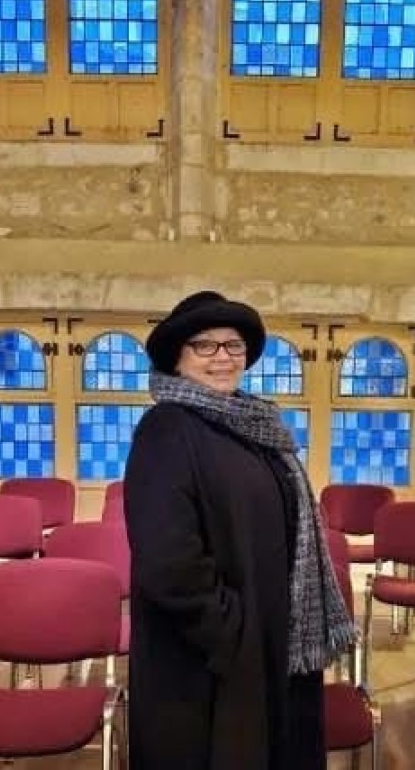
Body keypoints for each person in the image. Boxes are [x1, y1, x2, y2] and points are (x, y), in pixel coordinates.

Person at [124, 290, 355, 770]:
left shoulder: (253, 425)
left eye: (233, 345)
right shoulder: (167, 429)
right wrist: (234, 633)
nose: (222, 357)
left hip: (268, 642)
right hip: (207, 660)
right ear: (177, 357)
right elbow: (168, 562)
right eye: (204, 345)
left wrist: (266, 632)